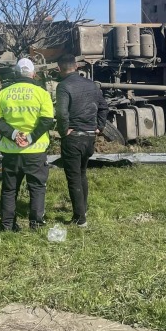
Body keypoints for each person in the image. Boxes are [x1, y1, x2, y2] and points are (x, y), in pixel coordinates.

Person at [0, 58, 54, 232]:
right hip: (35, 150)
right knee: (37, 188)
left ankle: (7, 225)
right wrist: (30, 138)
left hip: (11, 151)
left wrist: (14, 135)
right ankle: (36, 225)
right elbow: (47, 120)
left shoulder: (4, 93)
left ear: (16, 74)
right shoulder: (41, 93)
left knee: (10, 190)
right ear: (33, 74)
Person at [56, 54, 109, 228]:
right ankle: (83, 209)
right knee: (82, 173)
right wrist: (99, 127)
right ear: (76, 66)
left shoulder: (63, 86)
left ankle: (80, 219)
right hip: (89, 137)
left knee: (73, 178)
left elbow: (62, 113)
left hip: (73, 138)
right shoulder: (91, 85)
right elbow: (104, 106)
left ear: (59, 69)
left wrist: (63, 131)